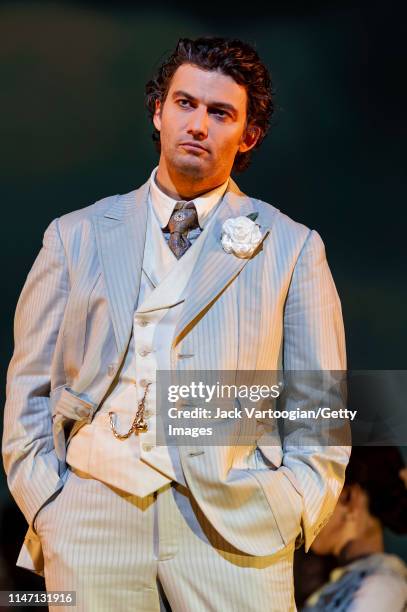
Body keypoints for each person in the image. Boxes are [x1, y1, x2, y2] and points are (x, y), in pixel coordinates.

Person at [3, 36, 350, 611]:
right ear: (158, 111)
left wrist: (293, 502)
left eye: (220, 113)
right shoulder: (76, 235)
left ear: (249, 135)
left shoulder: (291, 247)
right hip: (93, 517)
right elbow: (29, 385)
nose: (198, 124)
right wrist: (48, 502)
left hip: (236, 526)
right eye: (185, 103)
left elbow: (319, 403)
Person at [302, 446, 407, 611]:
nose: (303, 511)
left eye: (314, 495)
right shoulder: (352, 583)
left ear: (348, 498)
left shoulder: (381, 588)